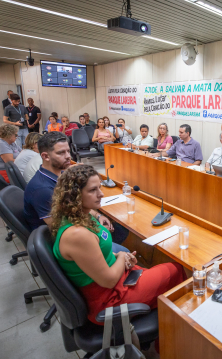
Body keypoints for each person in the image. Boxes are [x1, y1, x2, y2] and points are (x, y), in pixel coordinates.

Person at [49, 165, 186, 325]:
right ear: (75, 196)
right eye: (93, 190)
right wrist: (121, 256)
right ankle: (169, 337)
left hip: (116, 279)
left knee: (159, 274)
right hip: (108, 299)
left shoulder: (82, 215)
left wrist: (119, 257)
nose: (100, 194)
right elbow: (109, 281)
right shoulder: (77, 234)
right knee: (175, 270)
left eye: (99, 187)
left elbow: (93, 255)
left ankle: (163, 325)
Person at [23, 132, 73, 230]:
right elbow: (59, 227)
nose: (68, 156)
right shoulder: (42, 189)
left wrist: (98, 215)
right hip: (57, 236)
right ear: (45, 156)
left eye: (68, 151)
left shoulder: (59, 173)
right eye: (61, 153)